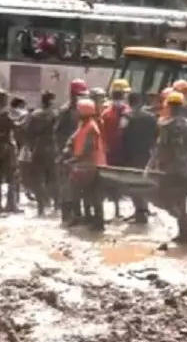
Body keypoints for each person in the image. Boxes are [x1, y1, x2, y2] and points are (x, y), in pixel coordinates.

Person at [146, 91, 187, 245]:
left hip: (171, 170)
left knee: (165, 200)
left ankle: (186, 227)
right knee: (182, 201)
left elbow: (160, 149)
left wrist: (150, 166)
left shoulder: (165, 125)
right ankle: (185, 233)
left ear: (168, 106)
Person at [63, 98, 106, 230]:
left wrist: (72, 160)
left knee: (86, 193)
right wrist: (68, 148)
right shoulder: (83, 125)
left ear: (83, 112)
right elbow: (73, 138)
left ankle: (94, 221)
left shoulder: (91, 127)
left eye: (78, 110)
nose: (76, 113)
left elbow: (88, 148)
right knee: (87, 194)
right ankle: (88, 219)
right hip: (85, 165)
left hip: (91, 165)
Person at [120, 91, 159, 223]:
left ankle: (139, 212)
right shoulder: (151, 116)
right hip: (147, 154)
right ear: (140, 101)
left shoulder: (126, 116)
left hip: (131, 154)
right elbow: (156, 135)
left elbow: (121, 133)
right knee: (143, 181)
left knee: (133, 184)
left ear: (129, 102)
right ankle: (144, 209)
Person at [55, 79, 89, 224]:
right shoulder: (65, 111)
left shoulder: (85, 111)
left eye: (83, 95)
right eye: (79, 95)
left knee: (79, 187)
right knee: (67, 186)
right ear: (72, 95)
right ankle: (66, 216)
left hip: (80, 155)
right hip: (68, 154)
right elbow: (57, 132)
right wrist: (63, 152)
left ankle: (78, 215)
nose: (81, 97)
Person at [20, 91, 59, 215]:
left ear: (42, 101)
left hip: (39, 148)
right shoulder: (56, 114)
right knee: (53, 177)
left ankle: (41, 207)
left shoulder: (35, 115)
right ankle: (56, 206)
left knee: (37, 178)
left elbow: (28, 132)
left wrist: (30, 147)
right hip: (53, 148)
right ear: (51, 102)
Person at [100, 79, 132, 219]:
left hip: (110, 152)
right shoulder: (128, 112)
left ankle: (116, 209)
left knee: (112, 181)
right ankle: (122, 210)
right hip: (123, 151)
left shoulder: (105, 113)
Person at [0, 90, 21, 216]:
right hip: (7, 147)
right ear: (3, 100)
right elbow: (15, 126)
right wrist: (24, 119)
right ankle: (11, 204)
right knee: (12, 176)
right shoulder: (5, 114)